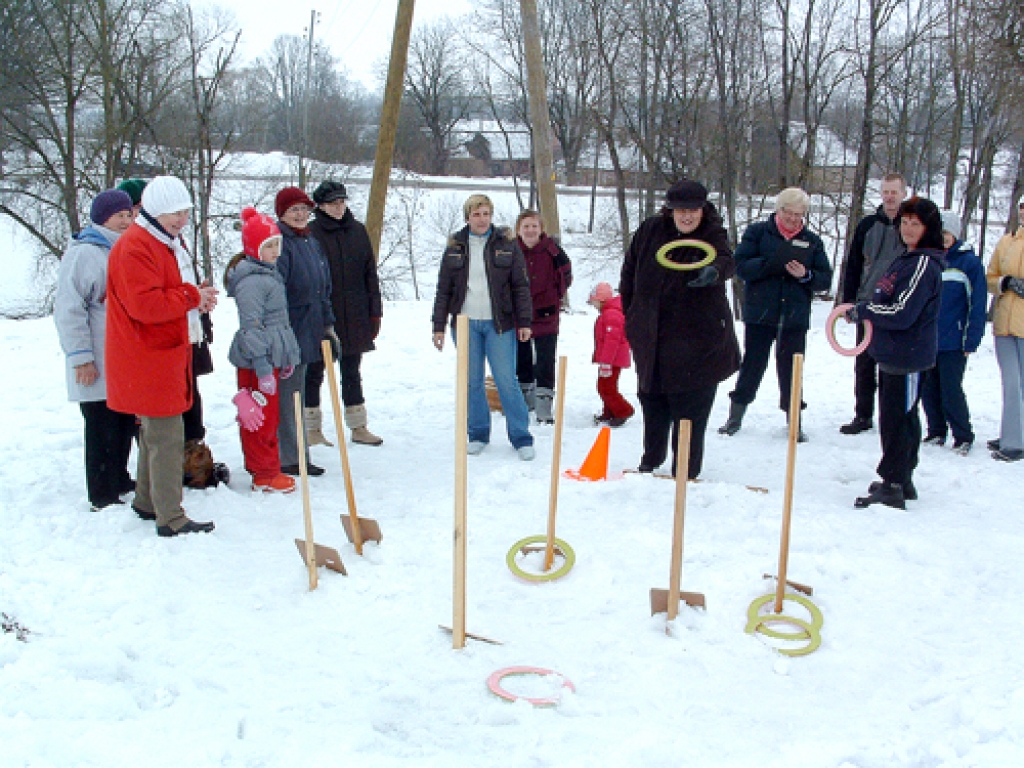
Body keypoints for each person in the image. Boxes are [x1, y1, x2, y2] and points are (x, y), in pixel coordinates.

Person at [105, 175, 219, 536]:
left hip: (161, 353)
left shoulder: (158, 242)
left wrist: (193, 296)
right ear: (155, 211)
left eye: (185, 213)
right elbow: (147, 305)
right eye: (176, 214)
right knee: (168, 437)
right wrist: (191, 298)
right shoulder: (137, 247)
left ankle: (146, 500)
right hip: (149, 357)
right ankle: (170, 516)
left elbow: (164, 293)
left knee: (155, 434)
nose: (182, 220)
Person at [619, 179, 740, 479]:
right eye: (680, 210)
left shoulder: (712, 233)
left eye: (693, 210)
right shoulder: (649, 231)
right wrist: (632, 315)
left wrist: (713, 272)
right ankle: (650, 461)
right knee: (653, 401)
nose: (687, 216)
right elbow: (629, 273)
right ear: (669, 210)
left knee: (690, 410)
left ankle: (685, 473)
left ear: (703, 210)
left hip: (698, 342)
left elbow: (725, 259)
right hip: (652, 338)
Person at [846, 196, 944, 509]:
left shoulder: (924, 264)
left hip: (908, 356)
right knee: (894, 418)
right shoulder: (907, 258)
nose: (908, 229)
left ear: (928, 228)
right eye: (904, 222)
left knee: (898, 421)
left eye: (916, 224)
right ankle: (899, 478)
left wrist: (865, 311)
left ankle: (894, 483)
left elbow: (903, 312)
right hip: (891, 354)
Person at [719, 187, 833, 441]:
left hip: (794, 315)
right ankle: (735, 415)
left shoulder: (812, 241)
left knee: (792, 369)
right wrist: (770, 264)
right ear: (778, 210)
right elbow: (741, 266)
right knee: (753, 364)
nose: (793, 220)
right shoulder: (758, 233)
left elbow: (825, 278)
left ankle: (794, 419)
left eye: (798, 215)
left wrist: (806, 275)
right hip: (761, 312)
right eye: (788, 214)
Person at [431, 194, 535, 460]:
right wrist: (439, 325)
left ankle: (521, 436)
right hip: (465, 323)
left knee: (505, 381)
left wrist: (524, 321)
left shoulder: (507, 245)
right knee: (472, 382)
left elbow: (521, 287)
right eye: (476, 214)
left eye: (486, 213)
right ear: (468, 217)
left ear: (492, 216)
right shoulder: (456, 246)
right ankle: (478, 433)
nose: (481, 219)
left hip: (499, 324)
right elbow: (444, 289)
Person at [54, 189, 137, 511]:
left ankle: (118, 477)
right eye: (119, 216)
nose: (126, 221)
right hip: (97, 355)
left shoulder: (124, 249)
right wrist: (81, 357)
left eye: (129, 215)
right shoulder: (85, 252)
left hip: (122, 355)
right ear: (102, 217)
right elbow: (69, 309)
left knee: (123, 422)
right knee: (101, 424)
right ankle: (101, 491)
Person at [224, 208, 303, 493]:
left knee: (269, 416)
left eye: (276, 245)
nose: (274, 251)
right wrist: (262, 366)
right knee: (260, 417)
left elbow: (278, 323)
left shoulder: (269, 274)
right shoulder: (253, 282)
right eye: (268, 246)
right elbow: (251, 327)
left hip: (271, 358)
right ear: (253, 247)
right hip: (259, 361)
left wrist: (285, 357)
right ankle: (264, 473)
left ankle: (266, 466)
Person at [308, 180, 384, 446]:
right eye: (332, 203)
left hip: (355, 312)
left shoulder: (358, 231)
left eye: (342, 202)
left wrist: (375, 312)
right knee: (315, 371)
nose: (339, 208)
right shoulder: (311, 233)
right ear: (320, 206)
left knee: (352, 371)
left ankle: (358, 426)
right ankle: (312, 429)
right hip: (322, 315)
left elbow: (369, 274)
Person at [274, 186, 337, 476]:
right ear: (282, 214)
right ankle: (290, 456)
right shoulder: (280, 244)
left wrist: (328, 325)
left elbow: (323, 286)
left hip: (311, 326)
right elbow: (278, 293)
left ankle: (300, 452)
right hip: (290, 329)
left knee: (298, 390)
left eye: (303, 209)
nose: (300, 215)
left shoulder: (309, 241)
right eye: (294, 210)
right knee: (289, 396)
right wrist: (283, 332)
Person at [838, 173, 909, 434]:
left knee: (893, 365)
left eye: (894, 192)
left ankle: (895, 416)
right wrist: (848, 302)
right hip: (867, 303)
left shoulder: (910, 225)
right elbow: (854, 265)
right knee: (865, 364)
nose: (890, 197)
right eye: (886, 192)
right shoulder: (867, 225)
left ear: (903, 193)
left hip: (898, 307)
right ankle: (863, 415)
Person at [919, 210, 986, 456]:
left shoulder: (968, 263)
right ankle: (936, 430)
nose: (942, 238)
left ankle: (963, 434)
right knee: (928, 388)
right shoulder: (928, 258)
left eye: (946, 234)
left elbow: (977, 304)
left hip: (954, 340)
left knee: (951, 389)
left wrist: (972, 338)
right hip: (928, 339)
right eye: (938, 233)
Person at [514, 209, 572, 424]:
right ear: (519, 230)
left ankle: (544, 406)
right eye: (526, 226)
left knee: (546, 359)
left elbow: (566, 274)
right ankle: (525, 401)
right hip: (519, 315)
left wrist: (554, 295)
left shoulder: (553, 251)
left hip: (546, 314)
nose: (530, 230)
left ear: (541, 229)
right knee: (522, 358)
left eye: (534, 226)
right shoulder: (511, 250)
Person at [985, 199, 1024, 462]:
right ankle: (1012, 434)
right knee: (1010, 381)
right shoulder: (1007, 242)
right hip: (1005, 322)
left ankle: (1014, 439)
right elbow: (990, 277)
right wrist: (1005, 282)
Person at [587, 282, 634, 427]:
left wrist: (606, 362)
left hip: (612, 359)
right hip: (610, 359)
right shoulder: (610, 312)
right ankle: (609, 412)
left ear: (601, 300)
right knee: (606, 385)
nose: (593, 305)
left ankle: (623, 410)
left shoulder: (611, 314)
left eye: (593, 301)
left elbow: (611, 341)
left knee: (606, 387)